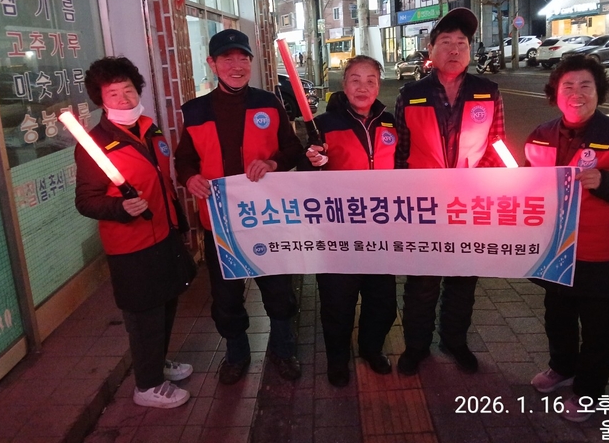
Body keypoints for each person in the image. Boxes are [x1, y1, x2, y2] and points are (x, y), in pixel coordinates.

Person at [524, 54, 609, 422]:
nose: (577, 93)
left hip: (603, 253)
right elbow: (524, 185)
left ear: (598, 91)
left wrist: (605, 182)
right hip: (556, 252)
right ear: (555, 93)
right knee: (558, 317)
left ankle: (588, 390)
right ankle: (562, 367)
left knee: (599, 329)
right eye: (568, 86)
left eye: (586, 85)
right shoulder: (541, 134)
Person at [174, 28, 304, 385]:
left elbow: (293, 148)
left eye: (243, 58)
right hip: (220, 224)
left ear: (251, 62)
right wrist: (190, 178)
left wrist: (274, 163)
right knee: (226, 297)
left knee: (278, 291)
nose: (236, 66)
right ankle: (237, 354)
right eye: (227, 59)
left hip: (266, 219)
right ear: (212, 63)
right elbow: (184, 159)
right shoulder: (196, 111)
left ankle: (283, 348)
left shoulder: (269, 103)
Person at [74, 56, 193, 409]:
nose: (124, 99)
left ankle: (157, 362)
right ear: (101, 100)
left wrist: (179, 224)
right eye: (113, 94)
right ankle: (148, 385)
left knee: (167, 303)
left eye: (128, 90)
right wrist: (120, 208)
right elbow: (85, 201)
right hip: (131, 246)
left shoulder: (149, 128)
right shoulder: (94, 144)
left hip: (163, 233)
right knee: (144, 316)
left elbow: (163, 181)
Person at [394, 7, 506, 376]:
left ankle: (455, 342)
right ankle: (416, 347)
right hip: (424, 209)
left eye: (462, 43)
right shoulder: (411, 94)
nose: (455, 49)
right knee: (421, 285)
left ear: (470, 50)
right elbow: (401, 154)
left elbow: (497, 146)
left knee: (463, 282)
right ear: (431, 49)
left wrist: (488, 185)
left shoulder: (488, 92)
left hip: (468, 208)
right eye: (446, 42)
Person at [303, 55, 398, 387]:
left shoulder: (390, 124)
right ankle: (338, 359)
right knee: (337, 304)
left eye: (371, 80)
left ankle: (371, 349)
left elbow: (405, 172)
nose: (363, 87)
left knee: (383, 303)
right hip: (337, 235)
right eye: (355, 79)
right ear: (343, 85)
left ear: (379, 86)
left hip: (381, 233)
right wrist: (312, 161)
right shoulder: (323, 125)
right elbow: (304, 175)